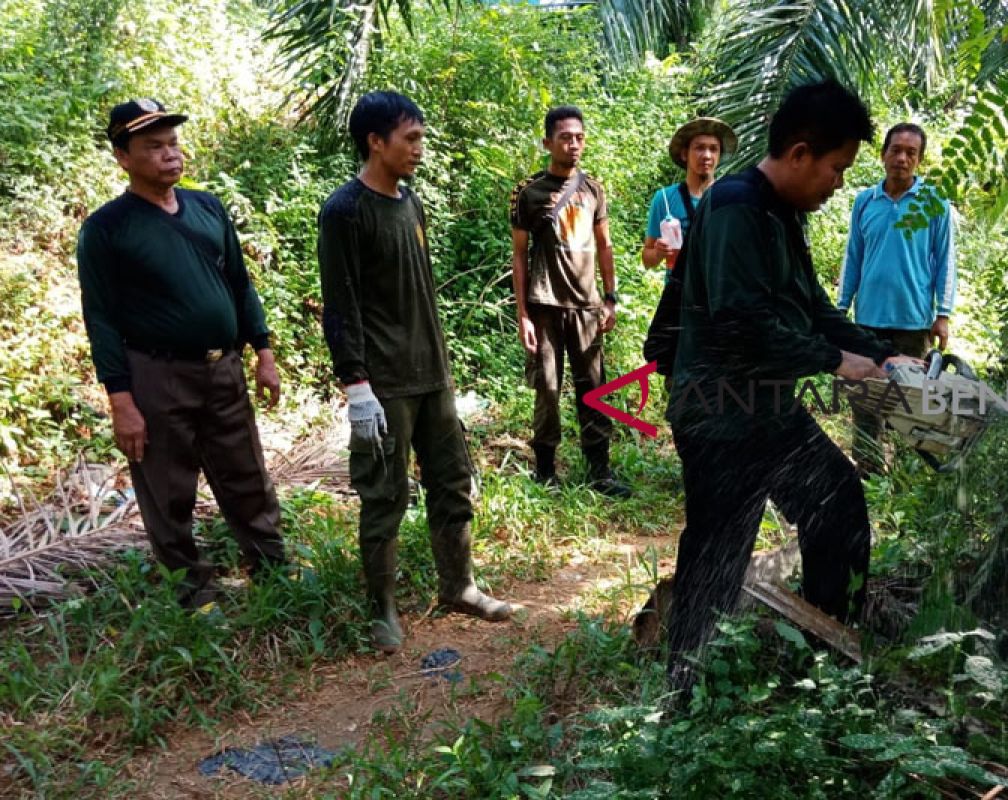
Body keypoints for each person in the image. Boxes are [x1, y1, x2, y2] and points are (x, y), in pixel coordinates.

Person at [665, 80, 922, 693]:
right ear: (800, 153)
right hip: (719, 413)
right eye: (836, 169)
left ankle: (827, 654)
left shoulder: (783, 215)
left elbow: (812, 307)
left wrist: (884, 356)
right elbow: (738, 325)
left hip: (767, 408)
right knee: (717, 553)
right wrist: (834, 361)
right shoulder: (734, 209)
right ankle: (684, 691)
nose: (838, 185)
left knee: (838, 506)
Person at [318, 91, 513, 654]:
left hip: (433, 376)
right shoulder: (345, 211)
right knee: (384, 495)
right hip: (383, 384)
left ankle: (460, 586)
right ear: (375, 142)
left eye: (421, 138)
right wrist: (356, 385)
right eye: (411, 139)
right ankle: (381, 611)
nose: (420, 150)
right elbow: (341, 304)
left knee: (452, 484)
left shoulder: (411, 203)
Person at [76, 99, 286, 609]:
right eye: (153, 147)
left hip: (223, 367)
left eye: (173, 143)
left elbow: (239, 283)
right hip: (156, 373)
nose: (170, 154)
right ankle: (194, 593)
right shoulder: (107, 229)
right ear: (122, 157)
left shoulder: (208, 208)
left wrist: (263, 351)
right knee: (168, 487)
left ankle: (272, 568)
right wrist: (120, 401)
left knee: (246, 472)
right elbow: (100, 318)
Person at [510, 105, 630, 497]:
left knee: (593, 387)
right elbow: (518, 255)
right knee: (547, 388)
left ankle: (600, 470)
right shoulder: (528, 193)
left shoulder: (593, 188)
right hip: (545, 306)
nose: (573, 143)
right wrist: (522, 314)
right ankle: (545, 470)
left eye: (579, 136)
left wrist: (609, 298)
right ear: (548, 142)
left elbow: (605, 244)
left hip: (587, 307)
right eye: (565, 137)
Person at [836, 122, 957, 474]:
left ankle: (907, 473)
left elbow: (946, 260)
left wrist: (943, 313)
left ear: (919, 160)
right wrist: (841, 308)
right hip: (868, 320)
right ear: (882, 155)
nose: (901, 158)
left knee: (911, 399)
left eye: (910, 153)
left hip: (913, 322)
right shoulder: (865, 202)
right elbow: (853, 256)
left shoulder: (934, 204)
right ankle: (869, 468)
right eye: (895, 150)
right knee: (865, 396)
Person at [640, 117, 738, 270]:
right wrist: (659, 253)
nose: (707, 155)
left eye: (713, 149)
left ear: (719, 156)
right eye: (699, 148)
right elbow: (647, 259)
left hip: (717, 291)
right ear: (685, 154)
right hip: (679, 291)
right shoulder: (664, 199)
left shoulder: (730, 198)